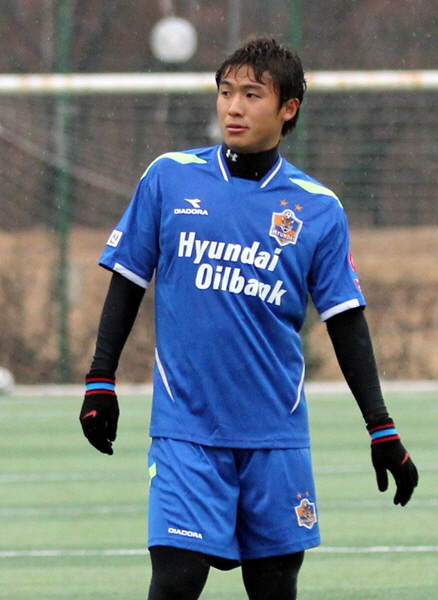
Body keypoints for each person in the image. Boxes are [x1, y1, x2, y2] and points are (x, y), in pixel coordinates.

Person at [79, 37, 418, 600]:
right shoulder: (169, 177)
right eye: (226, 92)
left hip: (276, 438)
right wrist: (100, 378)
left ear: (289, 108)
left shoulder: (318, 207)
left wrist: (380, 427)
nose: (233, 107)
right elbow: (128, 279)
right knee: (175, 581)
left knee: (274, 590)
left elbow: (345, 321)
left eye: (252, 95)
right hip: (187, 432)